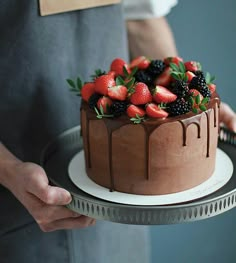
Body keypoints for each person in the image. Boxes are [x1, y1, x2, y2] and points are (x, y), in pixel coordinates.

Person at [0, 1, 235, 263]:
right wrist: (8, 170)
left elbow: (140, 17)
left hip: (124, 214)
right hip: (18, 191)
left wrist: (186, 99)